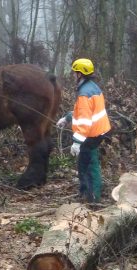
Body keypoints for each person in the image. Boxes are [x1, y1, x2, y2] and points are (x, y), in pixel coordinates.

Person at [56, 58, 111, 204]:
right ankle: (85, 192)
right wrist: (67, 118)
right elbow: (83, 113)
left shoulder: (84, 93)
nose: (73, 75)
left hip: (91, 135)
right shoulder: (92, 87)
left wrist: (77, 142)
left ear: (80, 74)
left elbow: (85, 121)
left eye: (75, 73)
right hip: (97, 131)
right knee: (83, 163)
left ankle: (93, 198)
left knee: (89, 165)